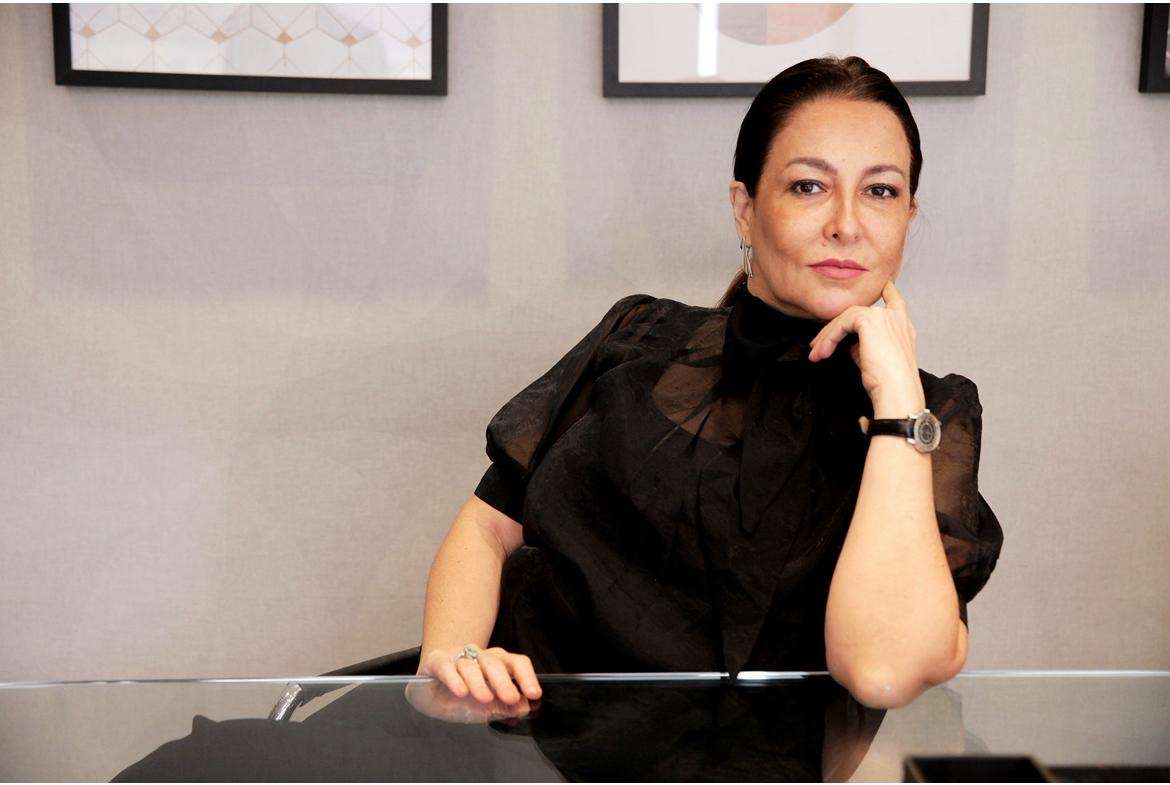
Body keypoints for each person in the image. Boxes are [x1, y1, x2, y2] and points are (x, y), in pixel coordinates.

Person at [416, 55, 1004, 712]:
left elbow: (882, 672)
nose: (846, 223)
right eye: (809, 186)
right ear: (745, 209)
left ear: (909, 217)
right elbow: (489, 524)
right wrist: (457, 657)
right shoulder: (639, 340)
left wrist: (897, 407)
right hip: (533, 739)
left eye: (881, 192)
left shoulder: (931, 417)